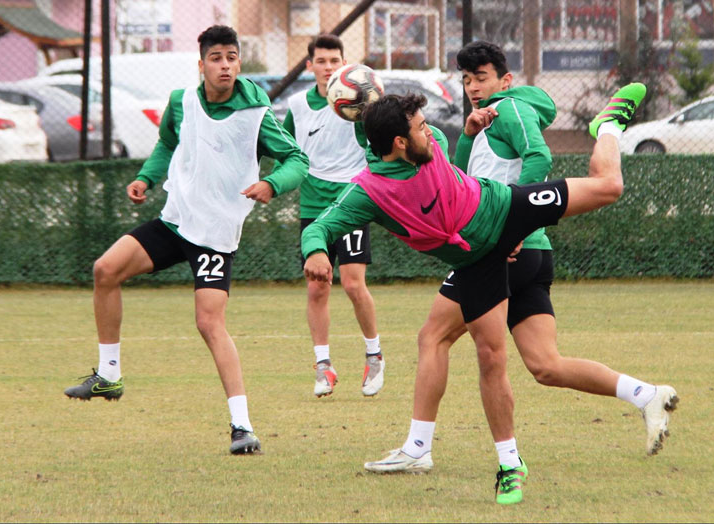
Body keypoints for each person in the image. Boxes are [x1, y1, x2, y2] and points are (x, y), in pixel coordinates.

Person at [301, 81, 658, 504]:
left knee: (609, 187)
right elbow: (320, 226)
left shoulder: (424, 146)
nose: (430, 132)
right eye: (419, 127)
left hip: (506, 206)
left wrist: (465, 134)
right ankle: (509, 464)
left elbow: (447, 165)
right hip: (479, 262)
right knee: (491, 355)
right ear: (398, 143)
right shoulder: (369, 192)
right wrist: (317, 252)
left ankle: (608, 126)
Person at [363, 41, 679, 481]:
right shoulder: (482, 122)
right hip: (527, 251)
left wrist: (515, 228)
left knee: (433, 337)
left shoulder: (509, 109)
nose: (474, 88)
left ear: (505, 81)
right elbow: (459, 181)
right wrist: (470, 136)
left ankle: (419, 448)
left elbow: (539, 158)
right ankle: (645, 394)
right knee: (545, 365)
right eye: (467, 80)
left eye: (482, 78)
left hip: (506, 246)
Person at [63, 25, 309, 455]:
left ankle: (242, 426)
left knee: (209, 324)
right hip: (175, 221)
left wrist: (272, 184)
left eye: (232, 57)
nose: (226, 65)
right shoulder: (182, 102)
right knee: (105, 270)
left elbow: (296, 159)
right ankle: (109, 375)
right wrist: (146, 177)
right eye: (217, 58)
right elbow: (166, 144)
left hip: (214, 234)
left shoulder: (255, 112)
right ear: (202, 65)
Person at [282, 34, 384, 398]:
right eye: (321, 61)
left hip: (352, 202)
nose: (328, 67)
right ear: (310, 66)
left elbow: (376, 148)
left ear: (345, 64)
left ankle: (374, 356)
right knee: (317, 286)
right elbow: (288, 153)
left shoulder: (361, 103)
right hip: (313, 206)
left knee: (354, 284)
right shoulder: (296, 104)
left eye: (334, 61)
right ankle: (323, 367)